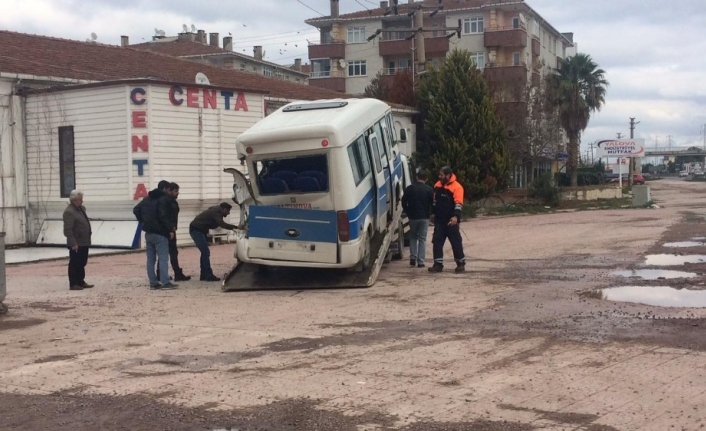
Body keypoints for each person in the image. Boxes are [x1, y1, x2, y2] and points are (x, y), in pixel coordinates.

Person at [133, 182, 178, 290]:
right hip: (160, 233)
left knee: (150, 259)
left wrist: (143, 221)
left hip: (148, 232)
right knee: (163, 258)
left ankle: (153, 282)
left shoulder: (146, 199)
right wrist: (170, 229)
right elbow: (163, 216)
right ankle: (165, 282)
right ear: (165, 189)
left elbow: (136, 209)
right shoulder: (163, 200)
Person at [429, 166, 466, 273]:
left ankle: (460, 263)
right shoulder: (437, 185)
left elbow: (458, 204)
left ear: (448, 175)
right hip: (439, 221)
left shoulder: (457, 187)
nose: (439, 176)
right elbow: (434, 202)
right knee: (437, 241)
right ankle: (438, 264)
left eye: (441, 175)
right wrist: (432, 214)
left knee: (456, 242)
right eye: (439, 174)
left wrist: (455, 217)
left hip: (451, 221)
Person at [190, 202, 238, 281]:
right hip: (197, 230)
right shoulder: (216, 212)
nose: (228, 213)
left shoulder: (215, 210)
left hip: (198, 230)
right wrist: (236, 227)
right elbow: (222, 224)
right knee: (205, 252)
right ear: (224, 209)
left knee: (204, 252)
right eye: (228, 211)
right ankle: (208, 275)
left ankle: (204, 275)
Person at [401, 171, 434, 268]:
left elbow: (403, 202)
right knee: (422, 239)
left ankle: (412, 257)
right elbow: (432, 204)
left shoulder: (409, 189)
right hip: (424, 217)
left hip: (413, 217)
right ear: (426, 179)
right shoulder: (429, 190)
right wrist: (430, 214)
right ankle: (420, 261)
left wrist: (408, 212)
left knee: (413, 237)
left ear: (416, 177)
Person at [62, 189, 94, 290]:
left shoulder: (81, 209)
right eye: (80, 199)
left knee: (82, 262)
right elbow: (68, 230)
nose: (82, 201)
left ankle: (81, 281)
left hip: (84, 241)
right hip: (76, 242)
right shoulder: (69, 212)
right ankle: (73, 283)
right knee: (75, 263)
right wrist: (73, 243)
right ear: (74, 200)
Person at [160, 182, 191, 281]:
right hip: (169, 230)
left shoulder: (165, 200)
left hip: (167, 229)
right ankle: (176, 273)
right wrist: (171, 229)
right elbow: (167, 216)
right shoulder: (169, 201)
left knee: (164, 253)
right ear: (169, 190)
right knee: (172, 252)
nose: (177, 193)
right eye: (176, 191)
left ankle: (161, 274)